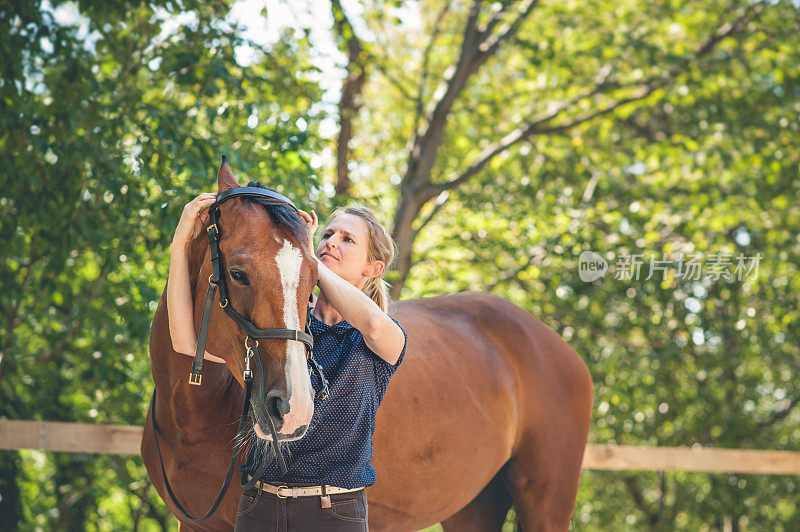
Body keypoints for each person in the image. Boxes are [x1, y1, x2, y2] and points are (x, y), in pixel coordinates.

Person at [167, 192, 408, 531]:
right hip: (259, 505)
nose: (331, 242)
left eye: (347, 239)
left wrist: (305, 257)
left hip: (335, 512)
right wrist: (179, 247)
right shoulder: (281, 332)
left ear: (374, 268)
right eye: (327, 234)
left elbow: (372, 323)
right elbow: (185, 342)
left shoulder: (382, 340)